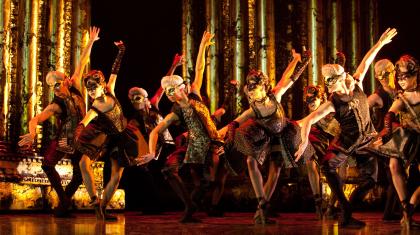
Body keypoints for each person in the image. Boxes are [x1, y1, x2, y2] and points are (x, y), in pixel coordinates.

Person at [295, 28, 397, 228]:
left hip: (367, 139)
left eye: (332, 82)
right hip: (347, 141)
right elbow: (309, 119)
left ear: (340, 79)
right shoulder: (333, 102)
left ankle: (347, 211)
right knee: (327, 166)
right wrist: (304, 140)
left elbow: (366, 62)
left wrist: (380, 44)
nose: (329, 86)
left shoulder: (355, 84)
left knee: (371, 179)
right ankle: (345, 211)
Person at [219, 49, 313, 225]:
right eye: (249, 91)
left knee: (275, 170)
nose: (251, 94)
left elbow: (288, 78)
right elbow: (234, 123)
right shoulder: (252, 108)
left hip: (282, 133)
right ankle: (262, 202)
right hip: (263, 134)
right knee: (250, 161)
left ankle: (260, 212)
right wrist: (227, 140)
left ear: (263, 88)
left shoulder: (275, 94)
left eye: (254, 90)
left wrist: (298, 61)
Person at [18, 27, 100, 217]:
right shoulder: (56, 104)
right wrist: (32, 132)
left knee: (80, 174)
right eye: (51, 86)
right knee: (47, 164)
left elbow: (81, 63)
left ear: (65, 81)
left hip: (82, 136)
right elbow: (36, 118)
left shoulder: (77, 86)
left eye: (56, 83)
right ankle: (64, 202)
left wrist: (90, 42)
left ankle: (62, 206)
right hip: (65, 138)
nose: (54, 88)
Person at [145, 31, 223, 223]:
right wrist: (151, 152)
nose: (170, 94)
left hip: (212, 142)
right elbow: (156, 130)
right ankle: (189, 207)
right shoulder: (176, 110)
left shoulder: (194, 94)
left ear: (182, 88)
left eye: (172, 90)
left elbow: (200, 69)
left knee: (210, 181)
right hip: (193, 144)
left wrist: (203, 45)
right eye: (167, 92)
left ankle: (193, 204)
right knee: (168, 169)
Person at [74, 40, 139, 221]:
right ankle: (95, 200)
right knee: (82, 163)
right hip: (106, 138)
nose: (91, 92)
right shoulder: (95, 106)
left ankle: (102, 208)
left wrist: (121, 50)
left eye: (94, 88)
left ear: (102, 85)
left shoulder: (110, 89)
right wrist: (78, 131)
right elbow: (85, 121)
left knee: (116, 176)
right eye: (88, 89)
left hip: (122, 137)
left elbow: (115, 70)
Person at [122, 54, 184, 213]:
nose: (135, 102)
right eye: (132, 100)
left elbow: (163, 86)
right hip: (153, 146)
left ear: (144, 98)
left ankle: (167, 204)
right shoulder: (135, 117)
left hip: (166, 144)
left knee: (162, 173)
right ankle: (153, 205)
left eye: (138, 98)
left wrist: (174, 65)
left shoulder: (154, 104)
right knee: (146, 172)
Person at [376, 55, 420, 229]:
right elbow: (390, 114)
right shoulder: (401, 97)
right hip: (408, 138)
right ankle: (406, 212)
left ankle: (410, 205)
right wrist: (387, 132)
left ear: (415, 74)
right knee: (394, 165)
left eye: (405, 77)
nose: (402, 81)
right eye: (399, 77)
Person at [368, 59, 401, 221]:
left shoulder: (398, 90)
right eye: (379, 75)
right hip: (385, 141)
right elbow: (362, 109)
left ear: (393, 72)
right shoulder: (377, 96)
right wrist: (371, 133)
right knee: (395, 175)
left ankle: (393, 212)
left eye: (386, 74)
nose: (383, 77)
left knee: (396, 177)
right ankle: (390, 213)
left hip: (400, 139)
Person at [303, 85, 340, 219]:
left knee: (336, 172)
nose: (310, 103)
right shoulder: (312, 112)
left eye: (313, 99)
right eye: (308, 101)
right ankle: (317, 202)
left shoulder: (329, 110)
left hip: (329, 144)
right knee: (310, 163)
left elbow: (336, 132)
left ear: (320, 98)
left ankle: (331, 205)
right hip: (310, 140)